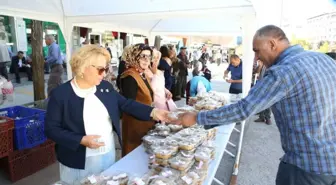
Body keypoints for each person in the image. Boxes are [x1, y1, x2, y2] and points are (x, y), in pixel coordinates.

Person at [178, 25, 336, 185]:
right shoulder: (325, 60)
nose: (256, 58)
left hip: (305, 169)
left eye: (257, 51)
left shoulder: (283, 72)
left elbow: (243, 109)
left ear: (272, 44)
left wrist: (198, 117)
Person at [44, 45, 169, 184]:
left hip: (107, 155)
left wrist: (153, 112)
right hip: (77, 161)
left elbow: (126, 104)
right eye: (101, 69)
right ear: (83, 68)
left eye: (106, 69)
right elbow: (51, 129)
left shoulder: (105, 87)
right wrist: (80, 140)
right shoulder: (61, 94)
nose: (104, 74)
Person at [120, 43, 156, 156]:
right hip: (134, 126)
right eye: (142, 56)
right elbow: (129, 105)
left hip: (144, 123)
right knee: (134, 156)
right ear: (134, 56)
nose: (146, 60)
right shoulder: (130, 76)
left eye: (149, 56)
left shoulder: (141, 74)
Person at [253, 60, 272, 125]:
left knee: (267, 102)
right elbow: (255, 72)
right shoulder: (262, 63)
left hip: (268, 85)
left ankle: (268, 118)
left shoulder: (271, 64)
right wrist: (260, 66)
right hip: (261, 84)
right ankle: (261, 117)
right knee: (260, 101)